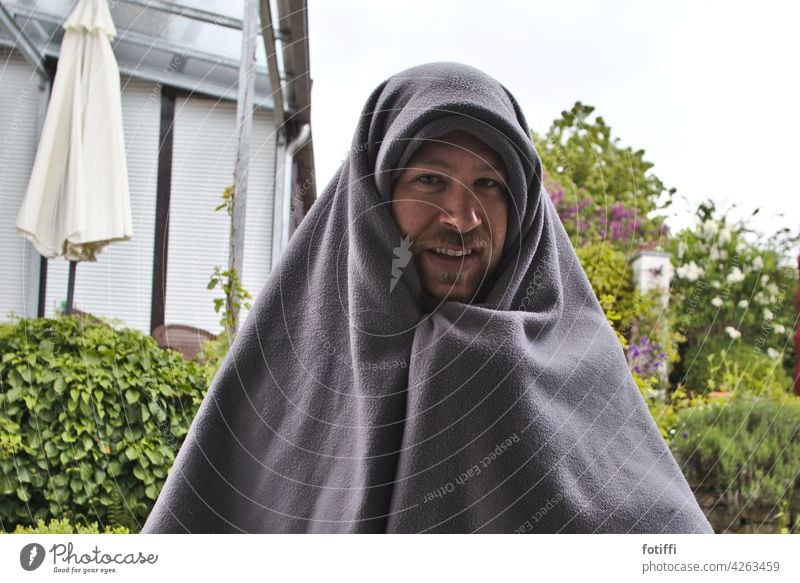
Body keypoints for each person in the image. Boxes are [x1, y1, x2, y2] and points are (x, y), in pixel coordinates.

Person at [142, 62, 713, 533]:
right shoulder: (294, 355)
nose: (461, 219)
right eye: (430, 181)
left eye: (488, 184)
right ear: (375, 193)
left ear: (524, 212)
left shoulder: (572, 364)